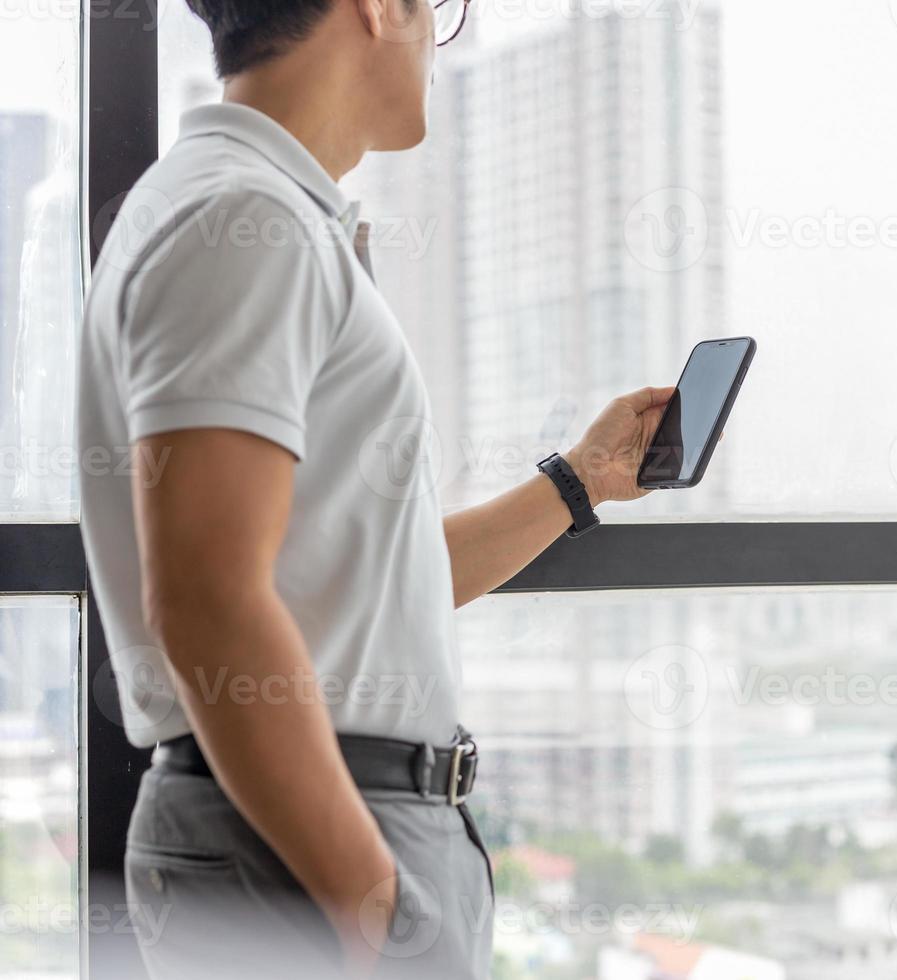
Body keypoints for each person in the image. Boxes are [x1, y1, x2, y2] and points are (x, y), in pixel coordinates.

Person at [77, 0, 673, 975]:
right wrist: (369, 895)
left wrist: (582, 480)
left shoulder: (253, 211)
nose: (439, 40)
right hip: (303, 843)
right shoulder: (245, 219)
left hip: (309, 832)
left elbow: (363, 581)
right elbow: (207, 594)